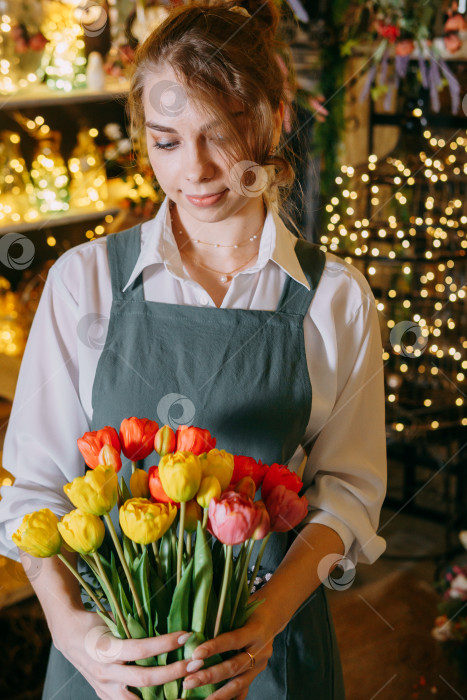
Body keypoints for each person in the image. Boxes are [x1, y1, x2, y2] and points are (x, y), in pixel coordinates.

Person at [0, 1, 388, 699]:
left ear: (274, 116)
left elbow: (348, 496)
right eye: (167, 140)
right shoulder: (84, 282)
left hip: (267, 656)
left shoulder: (333, 297)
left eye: (221, 132)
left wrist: (266, 622)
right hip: (108, 658)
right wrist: (73, 632)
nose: (197, 170)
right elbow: (32, 489)